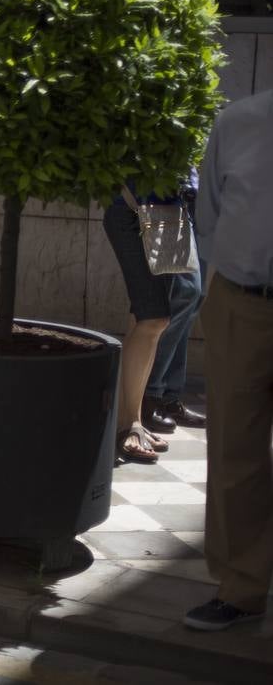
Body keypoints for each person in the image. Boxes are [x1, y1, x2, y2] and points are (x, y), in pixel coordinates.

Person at [182, 89, 273, 633]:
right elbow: (210, 215)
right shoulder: (239, 122)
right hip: (242, 303)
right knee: (235, 451)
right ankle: (241, 589)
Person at [101, 179, 201, 464]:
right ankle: (129, 424)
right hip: (133, 207)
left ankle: (130, 420)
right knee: (153, 317)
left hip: (169, 210)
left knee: (148, 316)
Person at [140, 178, 207, 434]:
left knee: (194, 299)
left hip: (198, 197)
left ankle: (169, 395)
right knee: (186, 292)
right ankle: (151, 393)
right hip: (169, 197)